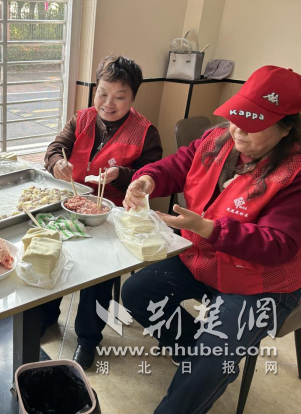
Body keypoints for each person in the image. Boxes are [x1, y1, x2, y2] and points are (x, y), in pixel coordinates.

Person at [121, 65, 301, 413]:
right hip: (204, 257)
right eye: (236, 118)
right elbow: (177, 166)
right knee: (137, 292)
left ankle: (204, 369)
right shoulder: (218, 139)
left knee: (212, 357)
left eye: (253, 124)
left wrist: (210, 228)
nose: (239, 130)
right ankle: (195, 356)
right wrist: (148, 179)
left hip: (261, 281)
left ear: (286, 128)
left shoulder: (293, 173)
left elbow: (278, 245)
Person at [43, 55, 163, 369]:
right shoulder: (81, 119)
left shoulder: (145, 132)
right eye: (102, 94)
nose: (108, 103)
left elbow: (152, 176)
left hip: (114, 215)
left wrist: (122, 175)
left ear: (133, 98)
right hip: (73, 205)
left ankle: (87, 339)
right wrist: (57, 163)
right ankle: (46, 315)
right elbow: (56, 147)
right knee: (52, 251)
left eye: (120, 97)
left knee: (98, 274)